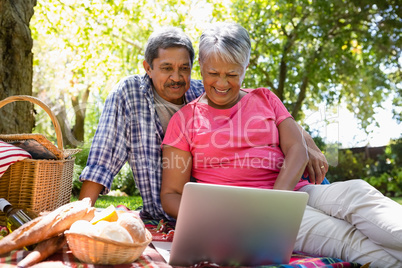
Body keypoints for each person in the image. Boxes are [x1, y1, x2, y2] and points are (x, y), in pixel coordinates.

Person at [160, 22, 402, 267]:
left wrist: (276, 204)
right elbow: (171, 194)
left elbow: (297, 149)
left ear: (246, 67)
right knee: (345, 237)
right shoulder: (184, 120)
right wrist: (214, 221)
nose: (222, 83)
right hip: (247, 215)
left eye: (232, 74)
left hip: (295, 193)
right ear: (200, 64)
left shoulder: (265, 98)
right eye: (213, 73)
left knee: (358, 192)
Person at [79, 26, 327, 222]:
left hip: (211, 211)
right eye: (166, 68)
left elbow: (270, 113)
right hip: (176, 210)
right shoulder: (129, 94)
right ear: (148, 68)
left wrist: (308, 145)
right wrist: (79, 216)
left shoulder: (206, 89)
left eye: (183, 68)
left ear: (193, 68)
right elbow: (103, 159)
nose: (176, 77)